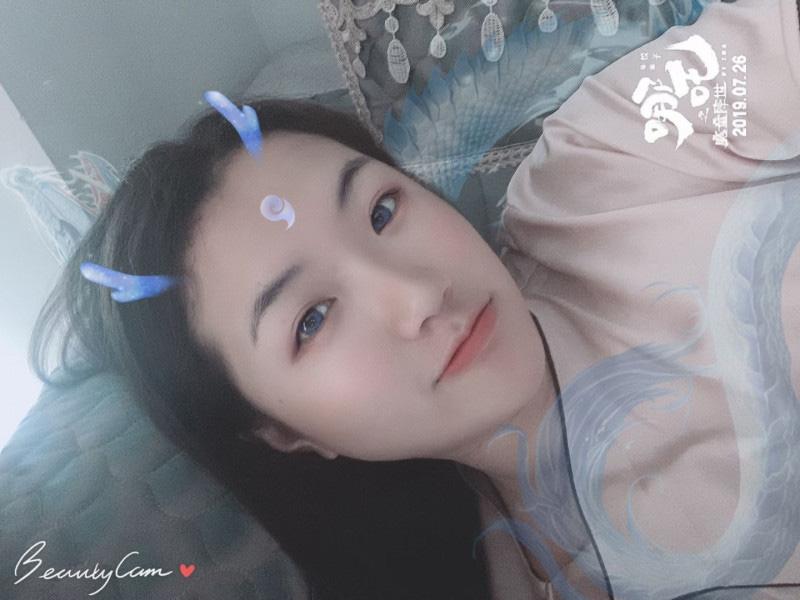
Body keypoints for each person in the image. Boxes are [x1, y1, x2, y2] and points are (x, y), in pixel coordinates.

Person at [31, 0, 800, 599]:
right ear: (283, 433)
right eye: (312, 320)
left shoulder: (608, 167)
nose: (419, 294)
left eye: (381, 211)